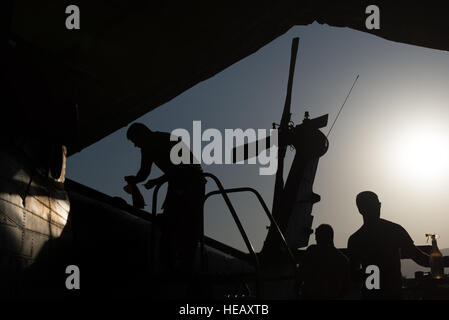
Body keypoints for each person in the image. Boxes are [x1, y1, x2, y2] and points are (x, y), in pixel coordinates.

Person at [125, 123, 206, 272]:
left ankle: (187, 263)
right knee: (170, 217)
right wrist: (134, 180)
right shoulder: (146, 148)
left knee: (187, 220)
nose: (135, 145)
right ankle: (170, 261)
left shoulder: (166, 139)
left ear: (142, 134)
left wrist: (157, 181)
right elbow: (144, 172)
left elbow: (181, 167)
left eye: (134, 140)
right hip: (177, 181)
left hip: (193, 180)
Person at [347, 191, 444, 299]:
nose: (378, 207)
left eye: (377, 205)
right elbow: (419, 257)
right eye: (375, 205)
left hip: (371, 294)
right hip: (394, 294)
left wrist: (372, 273)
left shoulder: (355, 239)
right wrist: (439, 262)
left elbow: (354, 276)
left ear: (360, 210)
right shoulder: (395, 230)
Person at [298, 224, 350, 299]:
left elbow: (300, 275)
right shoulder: (344, 260)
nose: (315, 239)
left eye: (317, 236)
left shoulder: (312, 251)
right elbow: (346, 289)